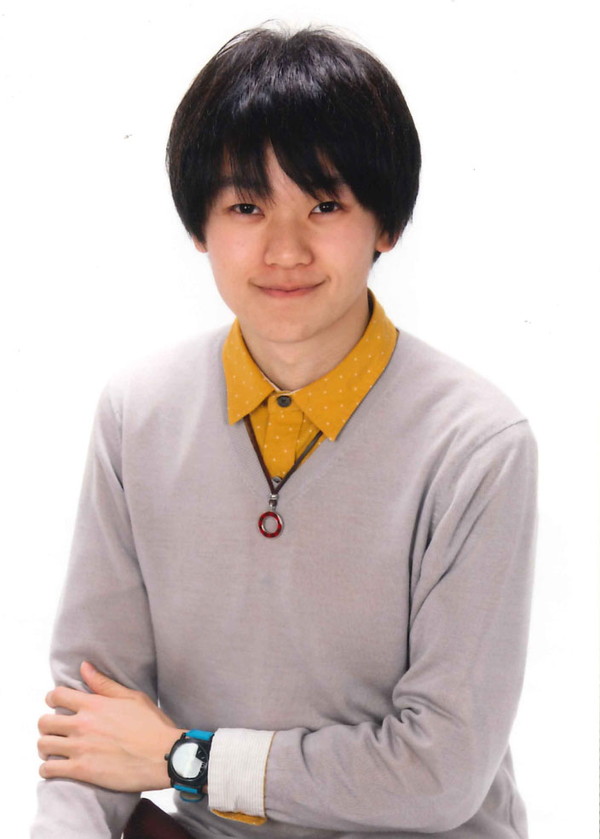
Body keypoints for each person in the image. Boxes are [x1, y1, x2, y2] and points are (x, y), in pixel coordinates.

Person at [32, 24, 538, 839]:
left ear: (386, 223)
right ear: (199, 226)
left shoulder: (476, 445)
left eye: (325, 205)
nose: (285, 249)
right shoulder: (138, 415)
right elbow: (90, 724)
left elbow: (441, 773)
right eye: (246, 206)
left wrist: (186, 758)